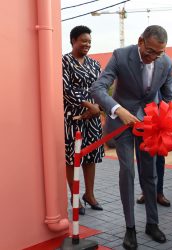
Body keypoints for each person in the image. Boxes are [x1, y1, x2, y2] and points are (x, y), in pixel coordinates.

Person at [90, 25, 172, 249]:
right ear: (140, 42)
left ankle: (152, 223)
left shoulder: (165, 63)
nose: (154, 57)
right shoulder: (121, 56)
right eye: (150, 52)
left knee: (150, 173)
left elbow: (169, 95)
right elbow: (98, 88)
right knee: (127, 171)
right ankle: (130, 228)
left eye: (160, 53)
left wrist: (168, 116)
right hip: (122, 124)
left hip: (149, 125)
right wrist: (118, 110)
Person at [63, 25, 104, 216]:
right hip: (73, 118)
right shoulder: (64, 61)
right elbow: (66, 90)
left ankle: (90, 194)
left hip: (93, 119)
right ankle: (75, 197)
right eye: (83, 41)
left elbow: (101, 88)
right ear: (73, 41)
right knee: (72, 158)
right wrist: (90, 105)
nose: (87, 44)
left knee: (91, 157)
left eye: (89, 41)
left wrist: (97, 108)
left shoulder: (95, 64)